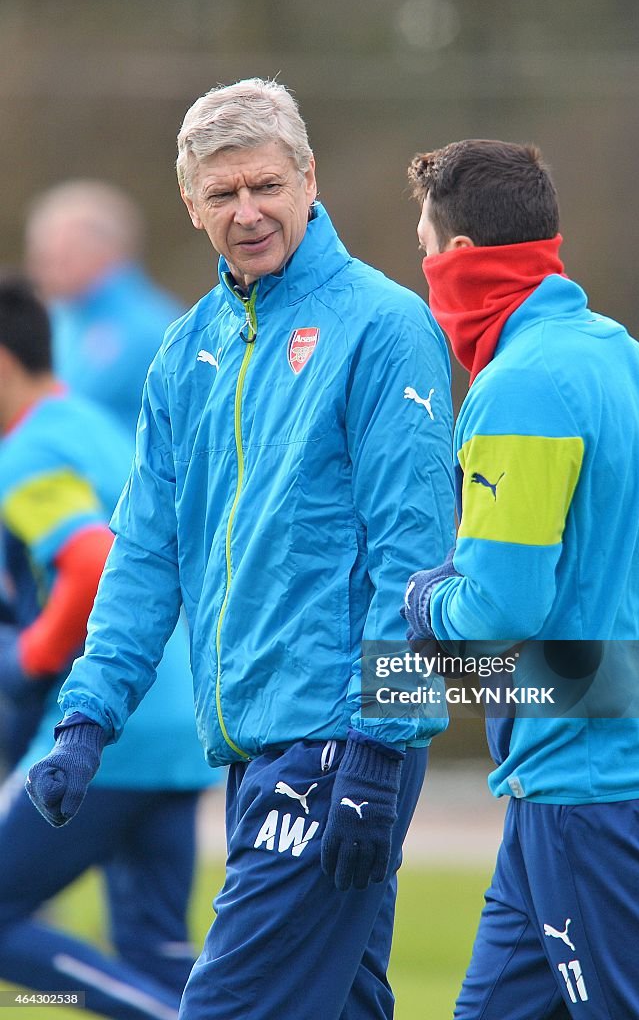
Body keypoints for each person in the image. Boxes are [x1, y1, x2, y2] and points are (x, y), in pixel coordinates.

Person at [26, 78, 455, 1020]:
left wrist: (380, 748)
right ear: (190, 206)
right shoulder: (186, 351)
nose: (247, 211)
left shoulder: (383, 329)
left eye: (265, 185)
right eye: (221, 195)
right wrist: (86, 721)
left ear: (310, 178)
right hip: (251, 744)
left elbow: (414, 557)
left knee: (225, 1008)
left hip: (340, 743)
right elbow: (143, 554)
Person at [403, 140, 639, 1020]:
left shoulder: (520, 387)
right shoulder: (630, 361)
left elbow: (500, 605)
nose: (423, 270)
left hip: (594, 780)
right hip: (614, 762)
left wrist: (426, 602)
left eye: (425, 248)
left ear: (460, 260)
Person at [0, 274, 219, 1019]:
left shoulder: (28, 454)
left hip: (104, 730)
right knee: (154, 946)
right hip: (176, 712)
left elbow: (91, 562)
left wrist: (29, 658)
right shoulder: (94, 426)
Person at [24, 180, 182, 436]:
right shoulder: (57, 317)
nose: (41, 270)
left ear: (107, 252)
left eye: (60, 257)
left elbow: (58, 410)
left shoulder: (153, 330)